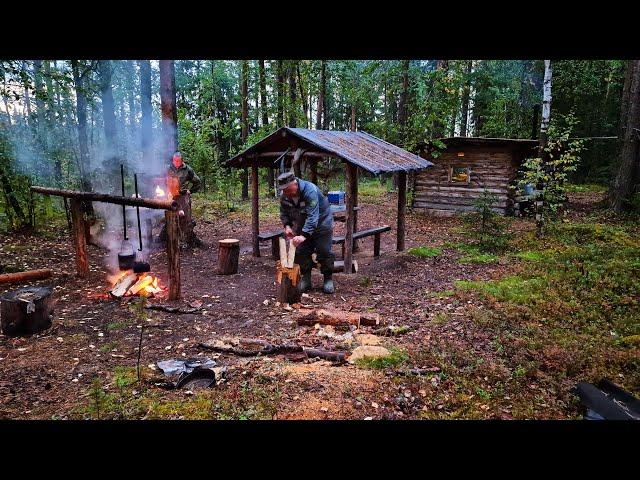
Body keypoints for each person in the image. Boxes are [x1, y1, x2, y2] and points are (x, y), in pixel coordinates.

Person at [278, 171, 335, 294]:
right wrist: (287, 226)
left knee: (324, 250)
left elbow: (313, 217)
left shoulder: (310, 190)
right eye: (283, 190)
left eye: (287, 189)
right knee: (301, 251)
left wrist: (304, 235)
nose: (285, 192)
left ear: (295, 184)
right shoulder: (285, 196)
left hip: (322, 223)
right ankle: (306, 278)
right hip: (302, 224)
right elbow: (284, 213)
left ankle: (328, 278)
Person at [161, 152, 203, 246]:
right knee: (170, 218)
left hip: (183, 198)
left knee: (185, 219)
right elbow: (162, 181)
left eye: (178, 161)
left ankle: (186, 241)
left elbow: (197, 182)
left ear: (181, 160)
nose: (176, 162)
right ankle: (169, 240)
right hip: (171, 198)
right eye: (174, 160)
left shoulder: (187, 169)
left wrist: (190, 191)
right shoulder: (168, 169)